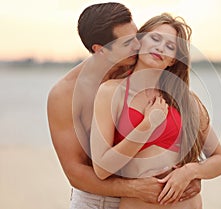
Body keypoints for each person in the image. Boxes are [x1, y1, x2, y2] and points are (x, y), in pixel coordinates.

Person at [47, 3, 201, 209]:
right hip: (97, 201)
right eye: (128, 42)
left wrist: (189, 174)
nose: (139, 45)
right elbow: (75, 172)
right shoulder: (65, 94)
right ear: (100, 50)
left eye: (137, 35)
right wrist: (134, 188)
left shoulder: (143, 71)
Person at [90, 13, 221, 209]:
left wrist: (189, 171)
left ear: (172, 60)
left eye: (170, 46)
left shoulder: (185, 100)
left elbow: (220, 160)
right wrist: (147, 126)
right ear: (139, 42)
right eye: (155, 38)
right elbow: (102, 168)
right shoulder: (111, 92)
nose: (160, 47)